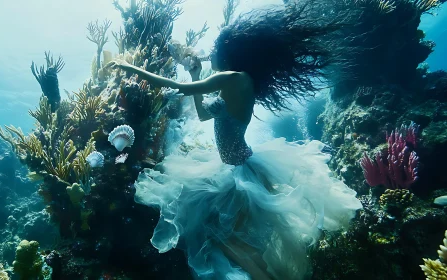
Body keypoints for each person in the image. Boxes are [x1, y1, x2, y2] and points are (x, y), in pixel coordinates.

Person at [108, 3, 362, 279]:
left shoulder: (231, 78)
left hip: (240, 173)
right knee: (234, 238)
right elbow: (205, 115)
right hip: (235, 167)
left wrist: (130, 67)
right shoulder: (241, 80)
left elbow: (178, 88)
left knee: (232, 240)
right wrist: (195, 73)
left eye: (214, 50)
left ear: (228, 53)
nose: (210, 55)